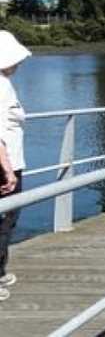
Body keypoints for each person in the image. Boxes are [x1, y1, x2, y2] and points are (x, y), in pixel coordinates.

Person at [0, 31, 30, 302]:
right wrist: (7, 169)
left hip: (7, 160)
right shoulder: (1, 86)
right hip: (5, 165)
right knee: (6, 219)